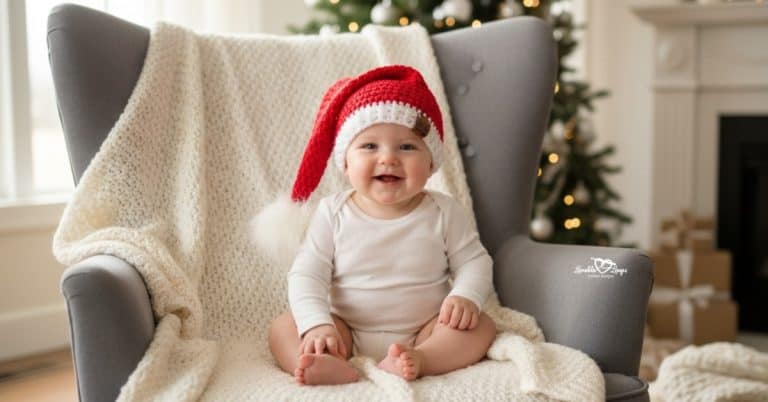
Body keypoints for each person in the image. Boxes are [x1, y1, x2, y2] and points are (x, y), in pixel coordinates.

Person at [263, 65, 496, 386]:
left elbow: (474, 261)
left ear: (431, 164)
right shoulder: (333, 212)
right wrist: (318, 324)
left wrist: (466, 296)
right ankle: (324, 361)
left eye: (407, 147)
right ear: (345, 163)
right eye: (370, 146)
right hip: (343, 326)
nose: (388, 158)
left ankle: (422, 359)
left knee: (480, 327)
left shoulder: (444, 211)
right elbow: (307, 273)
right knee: (283, 329)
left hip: (425, 328)